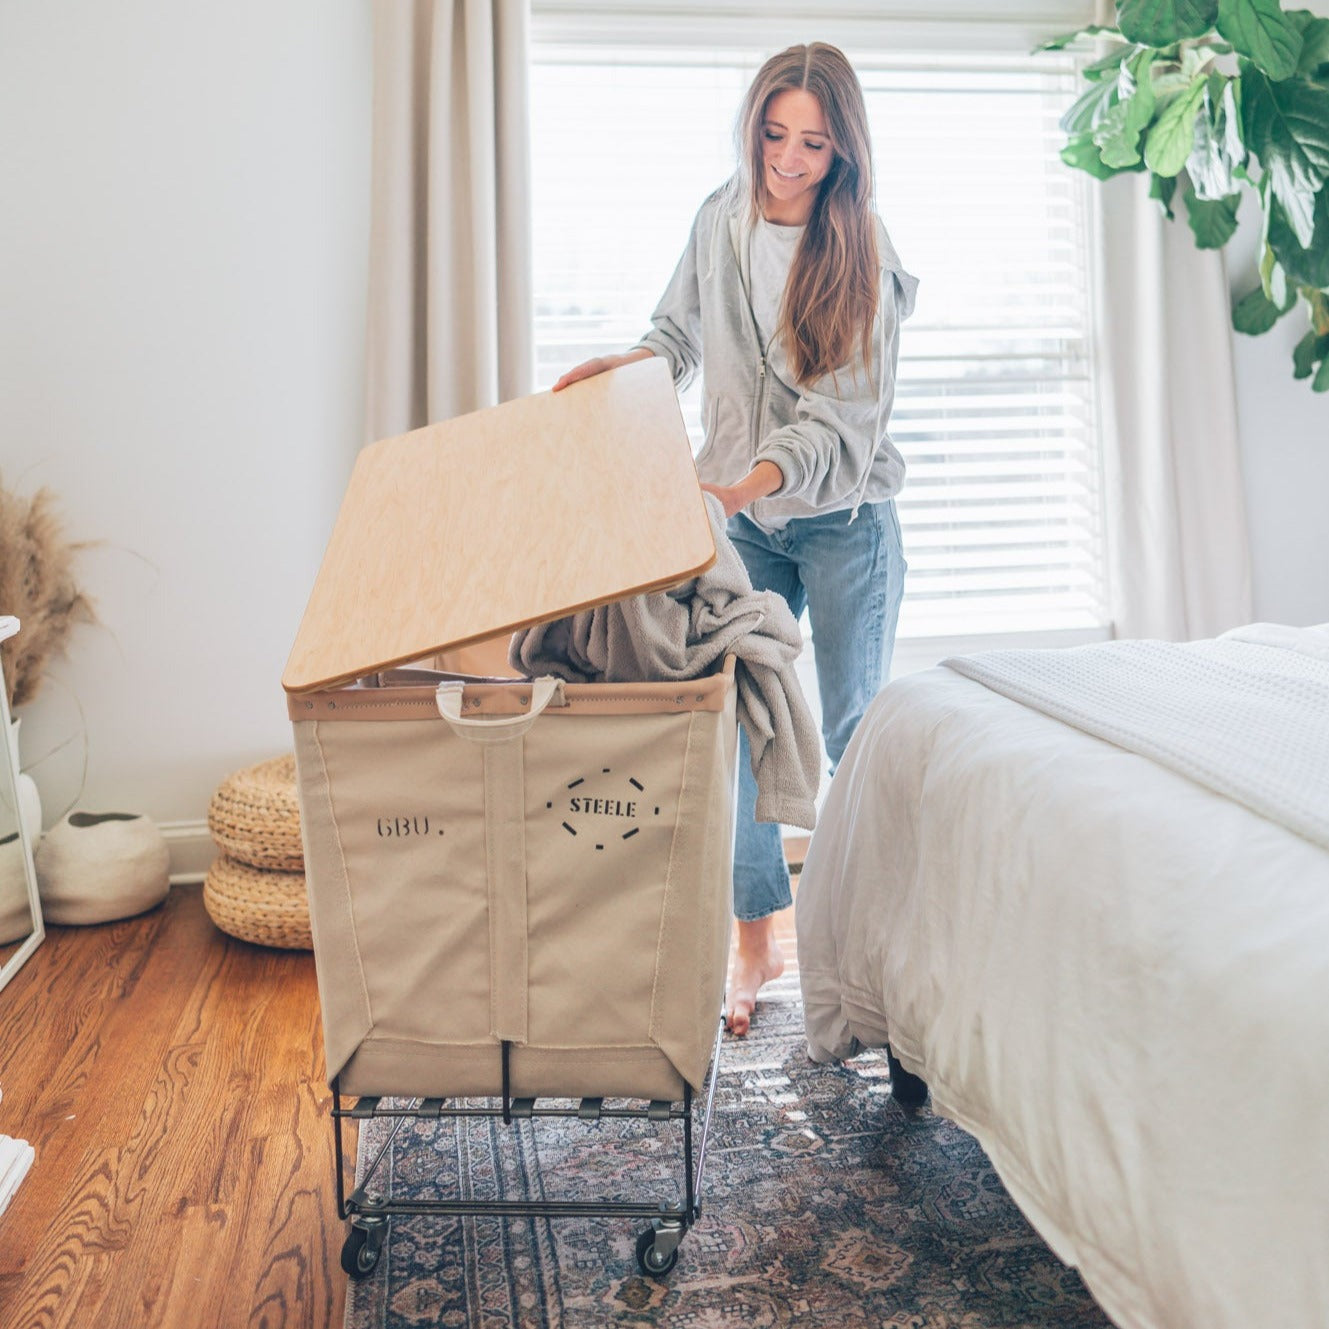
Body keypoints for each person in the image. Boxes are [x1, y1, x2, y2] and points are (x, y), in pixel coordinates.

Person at [553, 41, 916, 1035]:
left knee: (851, 733)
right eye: (773, 134)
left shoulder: (865, 256)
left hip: (842, 523)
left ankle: (873, 945)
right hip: (745, 523)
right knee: (731, 715)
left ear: (843, 150)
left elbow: (834, 427)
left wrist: (735, 485)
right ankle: (756, 940)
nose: (787, 160)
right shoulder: (720, 217)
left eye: (812, 143)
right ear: (752, 127)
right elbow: (676, 335)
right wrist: (625, 367)